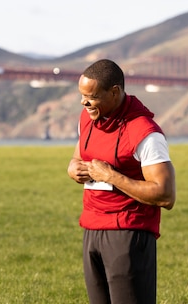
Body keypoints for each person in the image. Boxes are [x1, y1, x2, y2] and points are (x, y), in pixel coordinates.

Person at [67, 59, 176, 304]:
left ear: (114, 92)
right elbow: (77, 157)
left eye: (92, 97)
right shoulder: (87, 119)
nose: (84, 103)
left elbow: (166, 195)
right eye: (81, 96)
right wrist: (73, 169)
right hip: (92, 228)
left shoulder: (145, 133)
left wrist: (112, 177)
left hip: (128, 233)